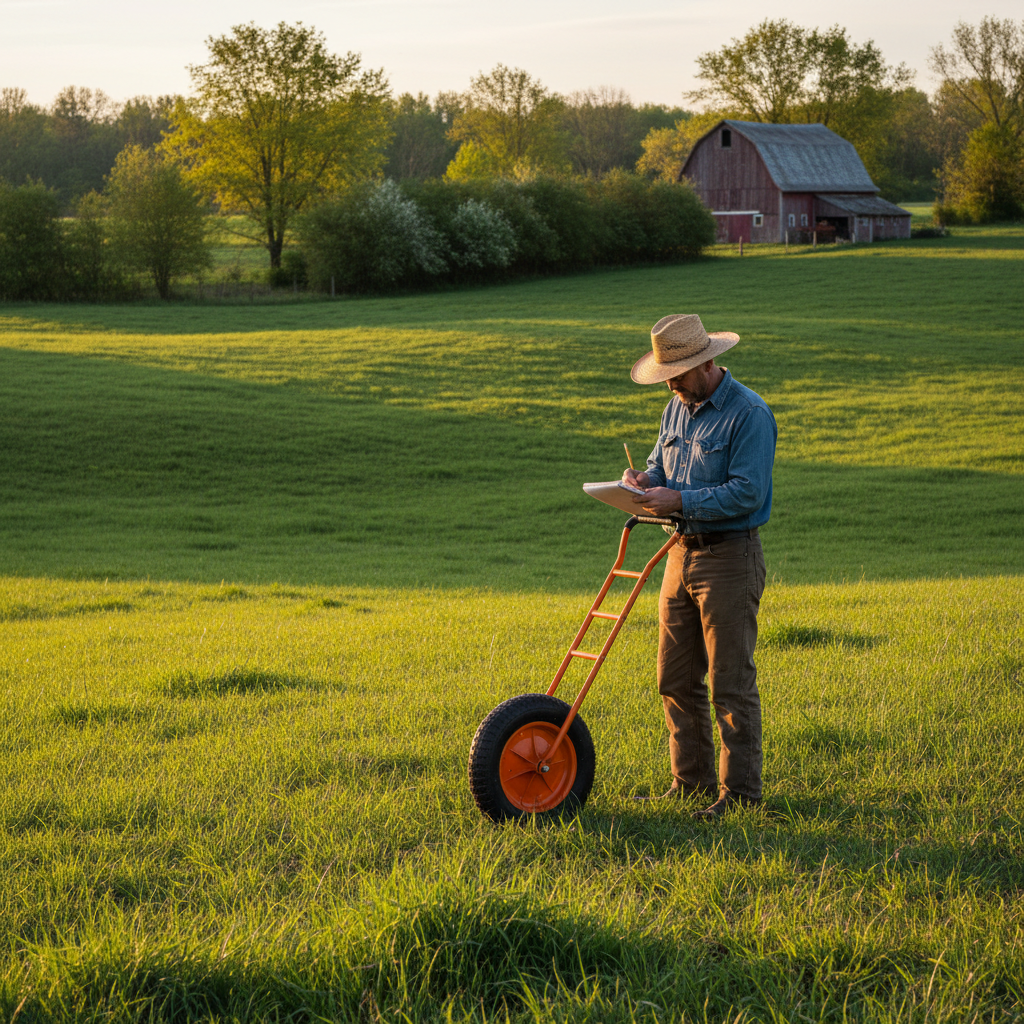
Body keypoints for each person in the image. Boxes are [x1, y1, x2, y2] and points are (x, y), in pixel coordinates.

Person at [623, 313, 777, 819]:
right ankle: (689, 783)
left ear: (708, 361)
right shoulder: (675, 407)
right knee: (675, 677)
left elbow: (748, 491)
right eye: (667, 373)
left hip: (730, 557)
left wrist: (680, 501)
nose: (672, 382)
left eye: (681, 372)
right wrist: (642, 481)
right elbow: (661, 467)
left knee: (729, 683)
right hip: (678, 554)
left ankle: (741, 797)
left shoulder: (748, 414)